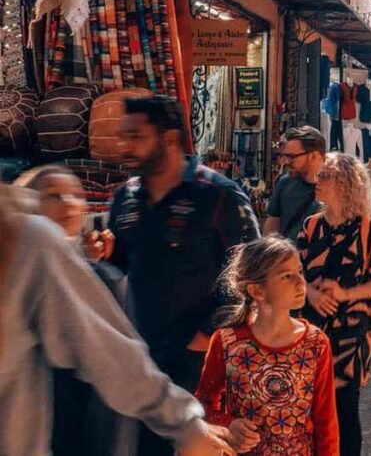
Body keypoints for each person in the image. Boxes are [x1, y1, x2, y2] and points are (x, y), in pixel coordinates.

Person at [0, 183, 237, 456]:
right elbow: (105, 351)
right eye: (53, 195)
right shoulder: (30, 238)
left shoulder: (23, 240)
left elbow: (105, 350)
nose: (68, 204)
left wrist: (185, 424)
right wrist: (185, 425)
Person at [106, 95, 260, 456]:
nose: (126, 146)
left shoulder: (217, 195)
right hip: (142, 363)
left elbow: (252, 275)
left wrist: (206, 337)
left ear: (169, 139)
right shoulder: (125, 199)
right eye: (123, 136)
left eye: (136, 136)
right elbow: (117, 271)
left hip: (200, 363)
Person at [15, 166, 133, 455]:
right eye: (53, 195)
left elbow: (120, 374)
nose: (68, 203)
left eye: (75, 195)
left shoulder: (105, 280)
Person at [196, 236, 339, 455]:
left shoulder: (315, 343)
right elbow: (204, 405)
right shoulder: (227, 342)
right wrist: (228, 425)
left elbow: (325, 420)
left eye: (299, 272)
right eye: (286, 276)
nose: (300, 282)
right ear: (257, 291)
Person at [298, 153, 371, 456]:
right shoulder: (311, 227)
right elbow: (292, 274)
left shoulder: (366, 229)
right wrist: (311, 294)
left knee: (345, 410)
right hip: (311, 329)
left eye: (325, 176)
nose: (317, 180)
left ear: (344, 183)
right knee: (312, 407)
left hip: (353, 333)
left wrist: (345, 294)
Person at [265, 126, 326, 241]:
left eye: (291, 157)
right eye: (283, 156)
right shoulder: (284, 183)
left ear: (314, 156)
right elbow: (271, 230)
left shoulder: (337, 188)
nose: (285, 162)